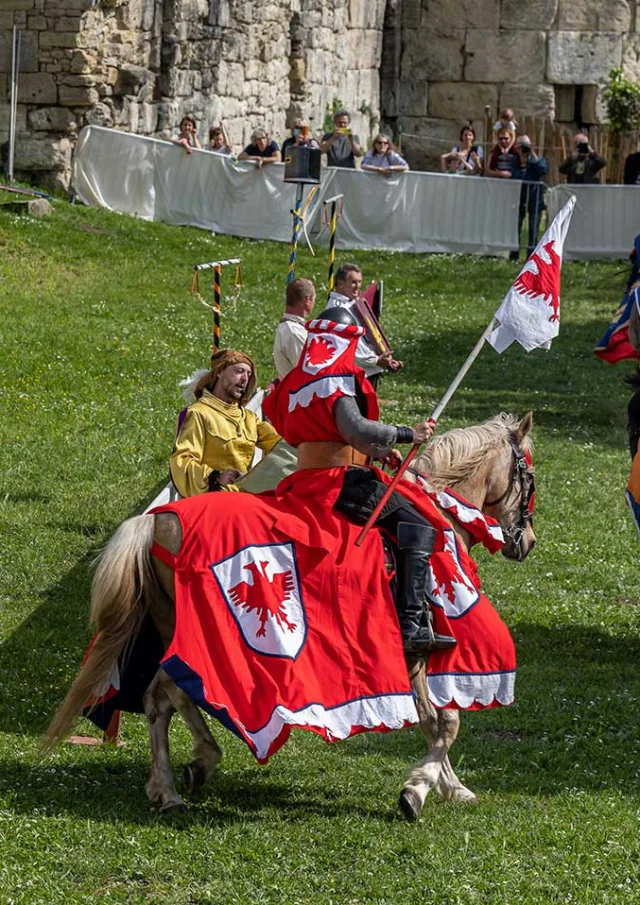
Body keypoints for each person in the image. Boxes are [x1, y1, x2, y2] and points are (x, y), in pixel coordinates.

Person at [263, 306, 456, 653]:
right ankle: (411, 625)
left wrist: (377, 452)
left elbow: (312, 430)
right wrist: (406, 433)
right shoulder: (334, 376)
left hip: (304, 477)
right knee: (420, 525)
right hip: (340, 480)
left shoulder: (295, 379)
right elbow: (356, 429)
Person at [170, 349, 280, 497]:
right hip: (210, 502)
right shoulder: (198, 413)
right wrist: (215, 477)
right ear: (219, 372)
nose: (244, 379)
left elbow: (282, 446)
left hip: (243, 500)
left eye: (248, 375)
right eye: (239, 371)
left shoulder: (249, 419)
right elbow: (181, 461)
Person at [328, 263, 403, 377]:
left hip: (370, 370)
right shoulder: (336, 310)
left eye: (359, 282)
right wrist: (375, 360)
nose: (357, 286)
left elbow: (368, 337)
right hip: (354, 375)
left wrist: (387, 360)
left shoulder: (354, 303)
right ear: (340, 283)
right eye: (353, 282)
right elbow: (346, 347)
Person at [512, 134, 548, 260]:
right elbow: (515, 176)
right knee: (515, 229)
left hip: (535, 200)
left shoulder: (538, 160)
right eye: (521, 147)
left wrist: (532, 153)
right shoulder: (514, 161)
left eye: (525, 146)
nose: (523, 150)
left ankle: (531, 258)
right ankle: (514, 255)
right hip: (519, 199)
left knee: (534, 231)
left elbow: (543, 170)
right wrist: (522, 161)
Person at [273, 277, 317, 377]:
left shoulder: (292, 328)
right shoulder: (294, 332)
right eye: (314, 299)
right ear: (307, 300)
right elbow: (309, 371)